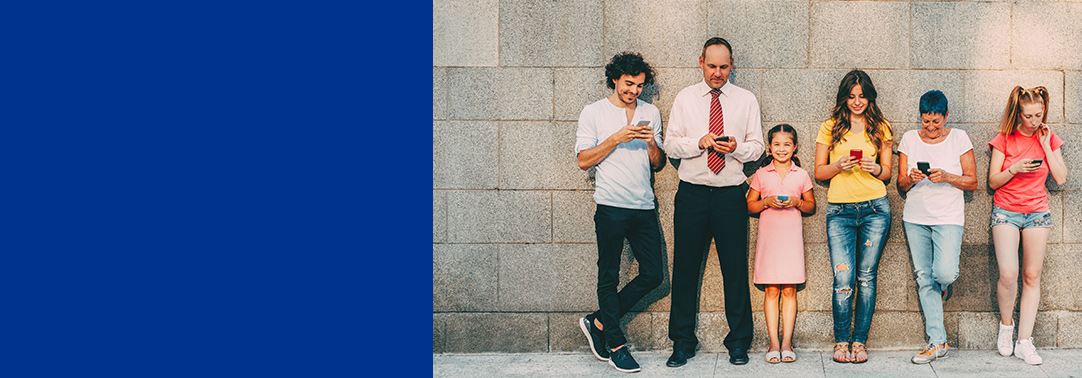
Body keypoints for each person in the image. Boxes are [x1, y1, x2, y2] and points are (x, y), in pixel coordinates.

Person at [663, 37, 764, 368]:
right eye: (712, 66)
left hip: (730, 194)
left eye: (723, 67)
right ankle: (682, 342)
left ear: (732, 65)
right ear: (701, 62)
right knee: (686, 270)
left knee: (734, 270)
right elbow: (671, 145)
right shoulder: (685, 98)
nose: (717, 73)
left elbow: (758, 147)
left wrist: (734, 147)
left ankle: (738, 342)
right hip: (692, 193)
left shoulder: (746, 100)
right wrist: (699, 142)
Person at [573, 52, 664, 374]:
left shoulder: (650, 112)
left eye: (639, 85)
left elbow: (657, 163)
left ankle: (598, 320)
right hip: (610, 206)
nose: (634, 91)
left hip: (643, 206)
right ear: (615, 79)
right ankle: (615, 344)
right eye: (629, 84)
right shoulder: (594, 112)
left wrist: (652, 142)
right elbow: (584, 159)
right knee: (608, 276)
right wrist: (616, 138)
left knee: (654, 274)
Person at [813, 69, 893, 364]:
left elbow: (887, 174)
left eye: (862, 96)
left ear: (870, 96)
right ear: (844, 98)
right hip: (840, 211)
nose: (857, 102)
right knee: (843, 278)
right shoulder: (830, 127)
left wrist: (875, 169)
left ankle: (859, 342)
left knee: (867, 277)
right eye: (851, 96)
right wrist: (838, 165)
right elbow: (819, 172)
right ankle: (841, 341)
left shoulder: (881, 127)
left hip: (875, 209)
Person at [896, 90, 977, 364]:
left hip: (948, 217)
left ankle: (943, 285)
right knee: (924, 277)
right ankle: (937, 341)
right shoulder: (909, 138)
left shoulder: (959, 138)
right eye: (926, 121)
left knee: (944, 272)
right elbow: (900, 184)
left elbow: (973, 181)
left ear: (946, 117)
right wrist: (911, 178)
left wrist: (948, 177)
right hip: (916, 217)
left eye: (936, 122)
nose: (930, 127)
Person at [989, 86, 1067, 365]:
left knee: (1032, 276)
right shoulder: (1004, 139)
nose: (1035, 121)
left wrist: (1046, 145)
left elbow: (1060, 178)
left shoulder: (1049, 138)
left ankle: (1025, 341)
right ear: (1018, 114)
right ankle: (1006, 327)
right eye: (1029, 116)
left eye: (1039, 115)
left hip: (1037, 214)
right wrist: (1015, 169)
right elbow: (992, 181)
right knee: (1009, 274)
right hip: (1006, 212)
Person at [745, 124, 815, 364]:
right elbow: (750, 205)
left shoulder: (801, 174)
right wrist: (766, 201)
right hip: (770, 237)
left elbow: (811, 205)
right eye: (777, 144)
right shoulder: (762, 174)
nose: (782, 149)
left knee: (789, 289)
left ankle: (787, 343)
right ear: (769, 147)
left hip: (791, 238)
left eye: (787, 144)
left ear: (795, 148)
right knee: (772, 290)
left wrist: (797, 201)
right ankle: (773, 342)